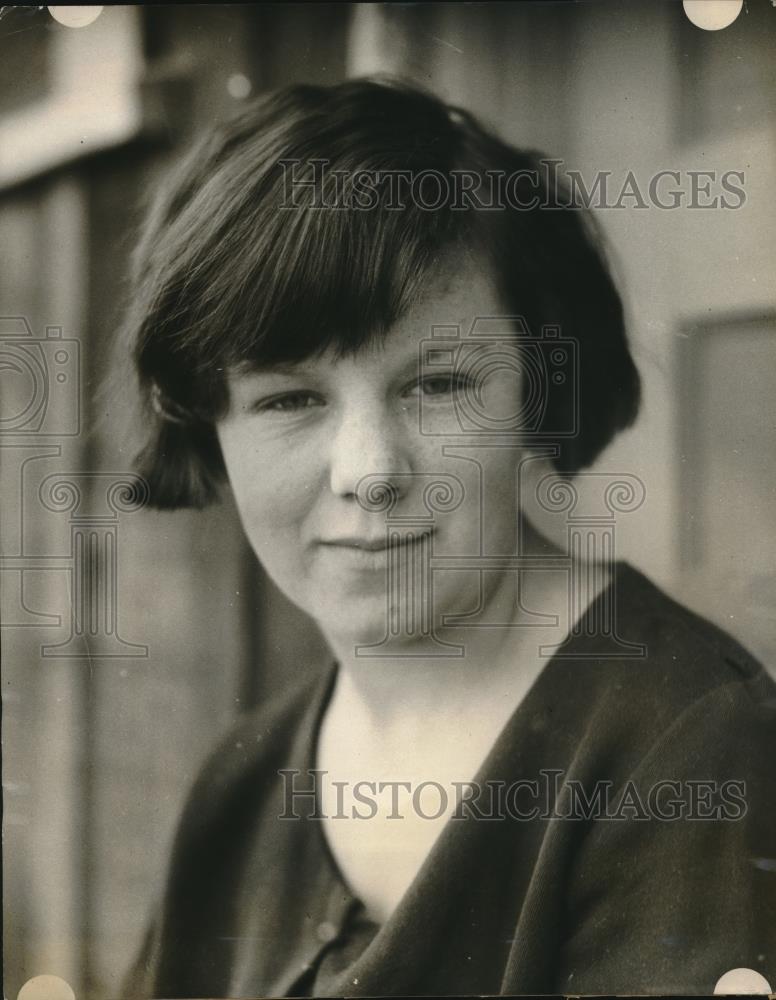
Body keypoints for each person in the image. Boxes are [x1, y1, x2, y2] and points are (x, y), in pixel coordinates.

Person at [122, 77, 775, 997]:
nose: (369, 469)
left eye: (438, 384)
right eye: (290, 399)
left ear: (535, 395)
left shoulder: (688, 749)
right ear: (209, 434)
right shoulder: (239, 791)